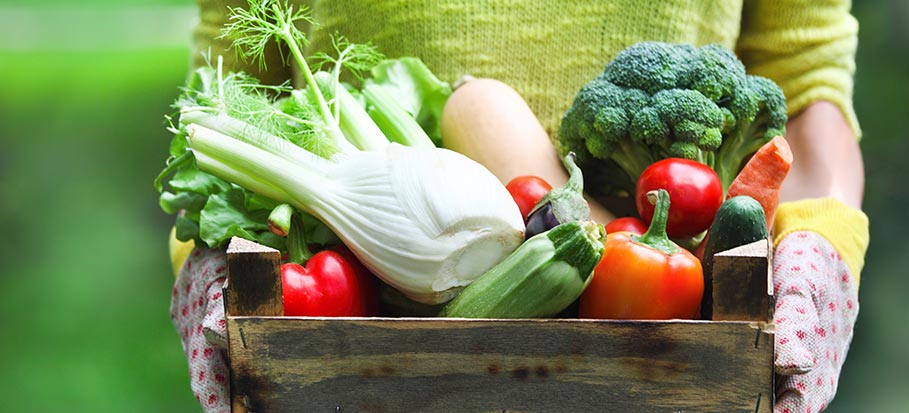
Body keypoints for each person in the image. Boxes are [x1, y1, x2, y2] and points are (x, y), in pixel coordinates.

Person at [169, 1, 869, 412]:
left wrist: (819, 252)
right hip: (357, 347)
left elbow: (805, 78)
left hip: (671, 356)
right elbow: (226, 88)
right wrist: (212, 268)